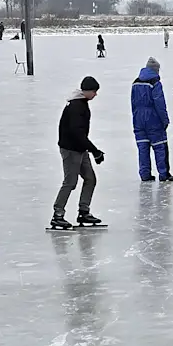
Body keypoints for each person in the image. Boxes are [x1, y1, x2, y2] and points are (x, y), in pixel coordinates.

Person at [51, 76, 105, 230]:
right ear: (87, 91)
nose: (95, 94)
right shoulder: (76, 106)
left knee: (90, 179)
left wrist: (91, 150)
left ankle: (83, 211)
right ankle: (57, 215)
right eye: (94, 91)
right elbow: (77, 133)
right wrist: (95, 150)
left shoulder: (82, 103)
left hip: (80, 149)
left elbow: (80, 135)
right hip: (70, 150)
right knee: (70, 182)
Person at [131, 57, 173, 182]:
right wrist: (165, 120)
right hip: (153, 118)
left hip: (138, 118)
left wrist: (135, 118)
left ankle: (145, 174)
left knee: (143, 147)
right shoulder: (155, 83)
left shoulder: (135, 83)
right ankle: (164, 174)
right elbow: (159, 103)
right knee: (160, 146)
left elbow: (133, 103)